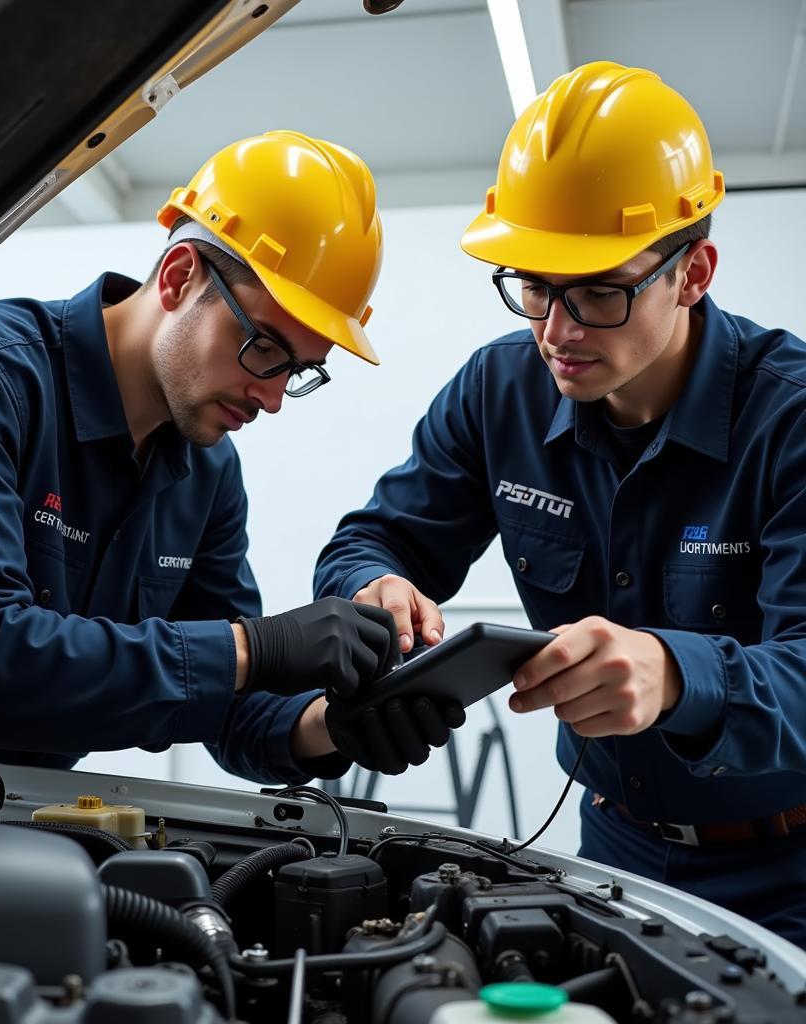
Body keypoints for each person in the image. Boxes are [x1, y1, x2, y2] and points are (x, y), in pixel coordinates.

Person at [0, 130, 459, 784]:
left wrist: (335, 725)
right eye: (264, 348)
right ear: (178, 276)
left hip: (4, 817)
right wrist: (253, 648)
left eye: (300, 371)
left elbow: (232, 704)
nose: (273, 397)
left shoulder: (207, 470)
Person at [314, 63, 806, 947]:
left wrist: (678, 675)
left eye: (597, 292)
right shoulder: (497, 389)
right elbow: (374, 536)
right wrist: (374, 585)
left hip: (789, 869)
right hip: (611, 841)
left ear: (693, 273)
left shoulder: (792, 420)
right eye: (533, 284)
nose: (555, 329)